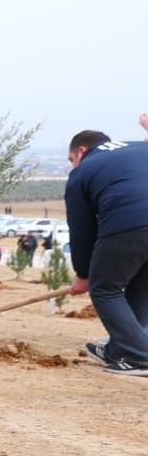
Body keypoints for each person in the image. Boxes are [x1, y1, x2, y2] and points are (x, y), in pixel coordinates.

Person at [65, 128, 148, 375]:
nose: (72, 165)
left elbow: (82, 229)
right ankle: (118, 350)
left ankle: (140, 357)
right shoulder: (139, 147)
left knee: (105, 289)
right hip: (135, 221)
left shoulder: (81, 172)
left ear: (81, 150)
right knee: (141, 290)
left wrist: (83, 274)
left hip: (130, 222)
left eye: (71, 159)